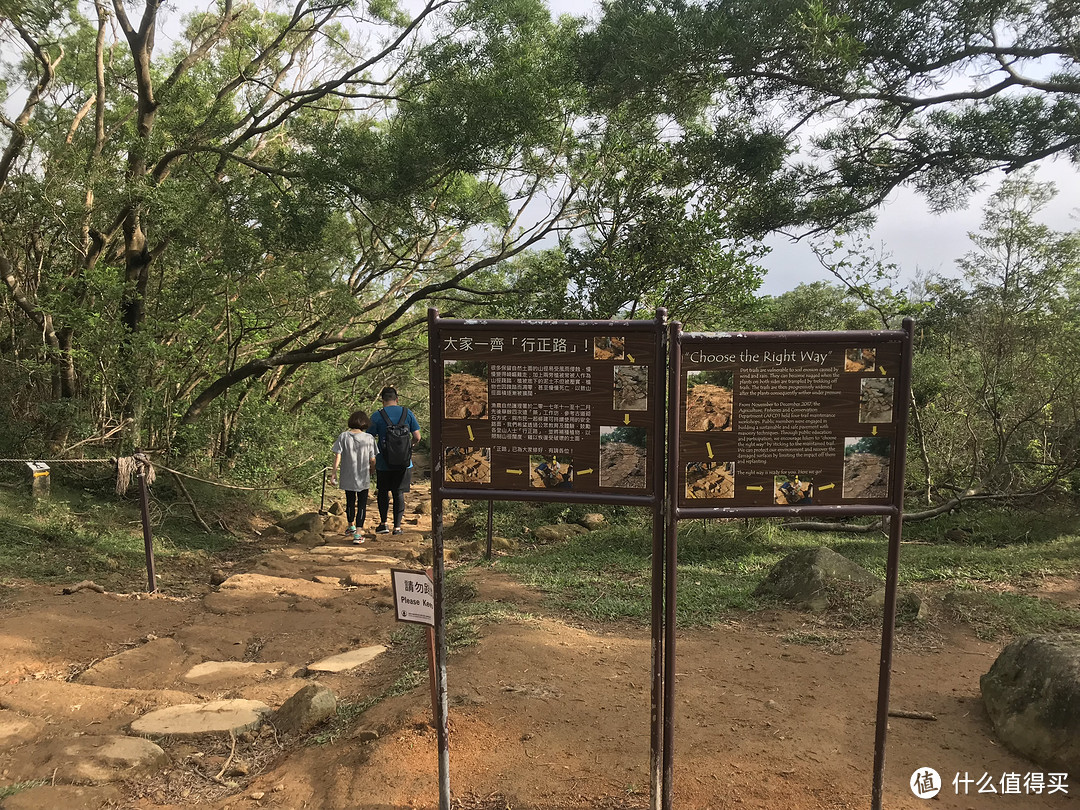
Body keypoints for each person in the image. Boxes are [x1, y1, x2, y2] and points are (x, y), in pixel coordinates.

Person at [367, 386, 421, 535]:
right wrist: (409, 448)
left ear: (383, 400)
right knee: (398, 493)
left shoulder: (377, 416)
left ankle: (383, 524)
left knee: (383, 492)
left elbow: (369, 438)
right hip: (404, 462)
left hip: (383, 462)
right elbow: (417, 437)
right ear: (397, 399)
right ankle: (397, 527)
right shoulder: (407, 413)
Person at [330, 410, 378, 544]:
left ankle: (351, 525)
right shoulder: (369, 438)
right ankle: (358, 532)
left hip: (347, 474)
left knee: (350, 501)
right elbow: (372, 459)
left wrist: (333, 473)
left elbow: (337, 455)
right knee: (362, 504)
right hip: (363, 475)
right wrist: (372, 470)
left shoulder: (344, 436)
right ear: (365, 423)